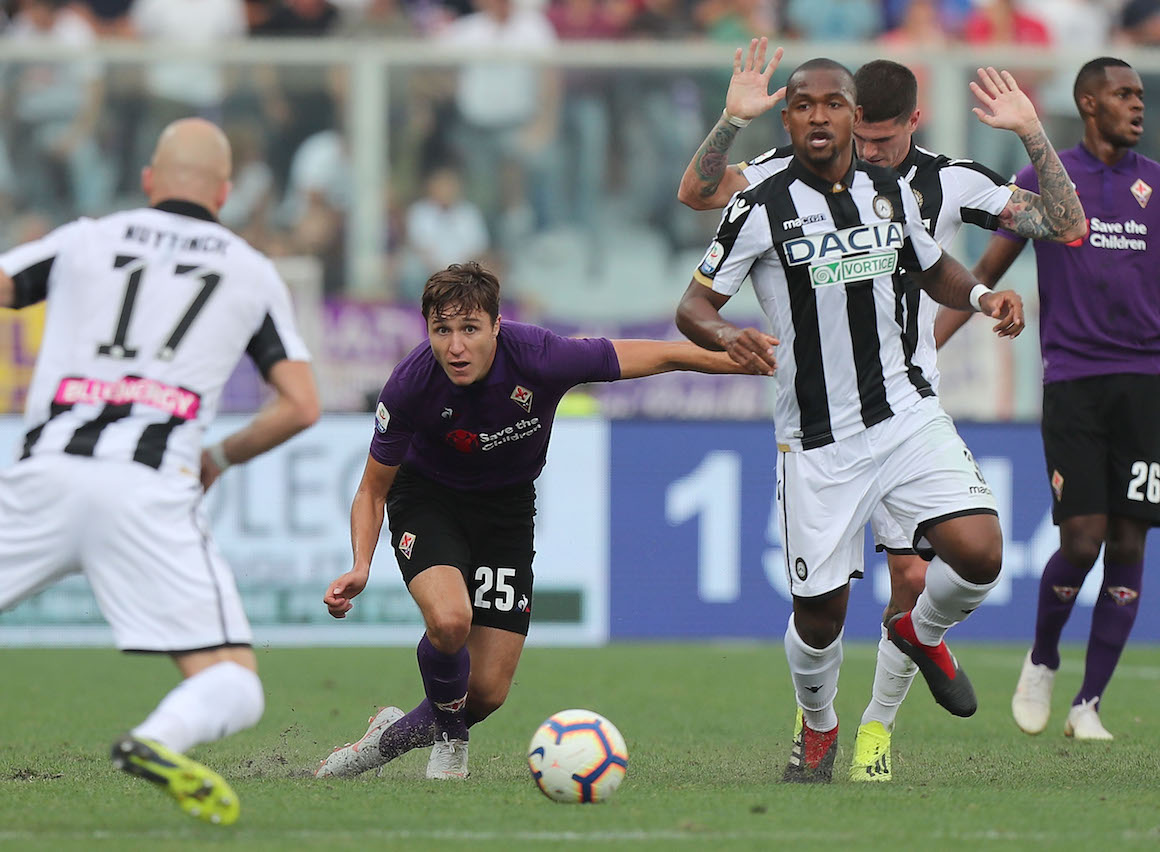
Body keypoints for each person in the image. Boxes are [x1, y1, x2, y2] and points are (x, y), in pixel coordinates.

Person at [0, 118, 321, 825]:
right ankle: (156, 739)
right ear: (226, 193)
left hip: (46, 473)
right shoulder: (250, 269)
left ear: (148, 181)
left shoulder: (85, 238)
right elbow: (301, 405)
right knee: (235, 685)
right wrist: (215, 457)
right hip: (148, 489)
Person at [678, 42, 1085, 781]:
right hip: (817, 440)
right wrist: (728, 334)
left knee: (981, 554)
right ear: (792, 119)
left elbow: (935, 265)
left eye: (836, 105)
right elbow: (694, 294)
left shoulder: (899, 192)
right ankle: (822, 725)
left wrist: (979, 295)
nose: (824, 119)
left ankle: (914, 631)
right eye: (805, 105)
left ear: (860, 113)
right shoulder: (762, 198)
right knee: (820, 618)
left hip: (906, 413)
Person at [313, 260, 765, 781]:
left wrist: (741, 361)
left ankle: (385, 740)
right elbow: (373, 488)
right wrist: (361, 564)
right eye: (442, 331)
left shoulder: (542, 357)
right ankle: (452, 744)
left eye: (469, 329)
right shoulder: (411, 383)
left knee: (483, 693)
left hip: (505, 511)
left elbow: (661, 355)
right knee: (450, 621)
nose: (455, 346)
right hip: (428, 500)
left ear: (496, 325)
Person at [938, 58, 1156, 742]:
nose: (1137, 106)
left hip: (1147, 383)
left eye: (1140, 96)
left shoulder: (1157, 182)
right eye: (1124, 95)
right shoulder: (1048, 179)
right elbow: (984, 273)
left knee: (1130, 539)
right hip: (1073, 382)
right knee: (1083, 537)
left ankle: (1088, 704)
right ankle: (1042, 658)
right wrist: (922, 351)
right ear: (1088, 103)